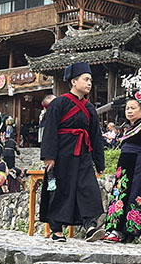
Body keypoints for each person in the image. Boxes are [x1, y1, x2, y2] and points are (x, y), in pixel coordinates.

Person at [40, 62, 105, 242]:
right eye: (86, 79)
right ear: (74, 81)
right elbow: (50, 130)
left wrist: (99, 162)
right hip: (62, 154)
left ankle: (90, 226)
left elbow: (95, 136)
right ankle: (57, 230)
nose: (89, 83)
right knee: (60, 189)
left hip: (83, 153)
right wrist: (49, 156)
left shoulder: (90, 108)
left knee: (89, 188)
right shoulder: (59, 103)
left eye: (90, 80)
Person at [104, 98, 141, 243]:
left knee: (133, 195)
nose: (129, 111)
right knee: (119, 195)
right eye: (128, 108)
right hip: (123, 167)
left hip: (138, 166)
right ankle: (113, 229)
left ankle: (126, 231)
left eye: (133, 108)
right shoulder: (127, 129)